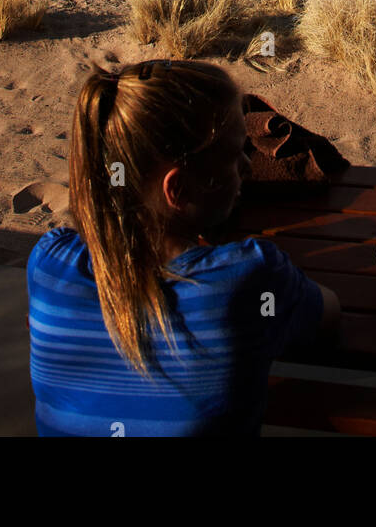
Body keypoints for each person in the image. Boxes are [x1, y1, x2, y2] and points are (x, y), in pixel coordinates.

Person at [27, 59, 341, 436]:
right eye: (235, 155)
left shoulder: (48, 264)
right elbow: (328, 314)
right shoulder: (247, 278)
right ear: (177, 190)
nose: (247, 167)